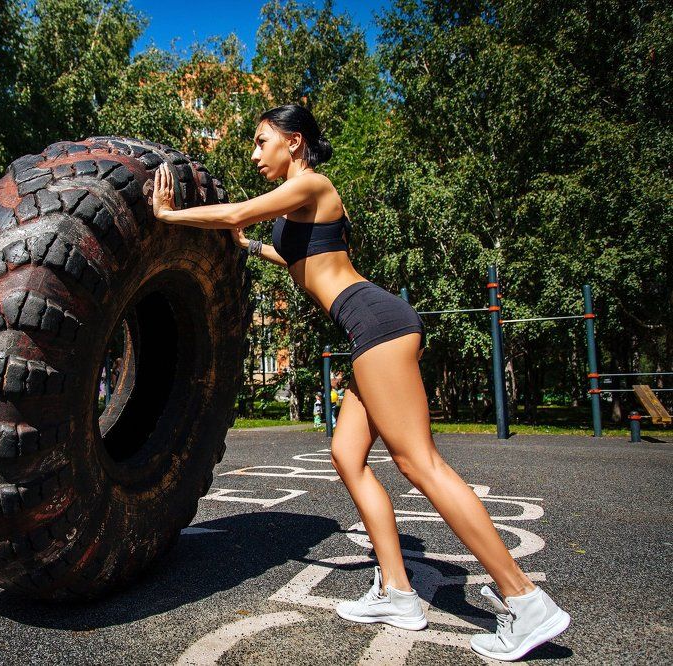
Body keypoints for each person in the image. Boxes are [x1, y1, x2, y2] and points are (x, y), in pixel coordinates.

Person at [150, 104, 569, 661]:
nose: (254, 154)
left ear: (294, 143)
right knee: (348, 454)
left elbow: (241, 213)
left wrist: (169, 217)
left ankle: (526, 599)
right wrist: (251, 250)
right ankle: (398, 590)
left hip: (376, 323)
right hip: (367, 327)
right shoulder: (302, 206)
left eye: (261, 142)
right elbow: (296, 257)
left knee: (420, 463)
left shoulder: (314, 184)